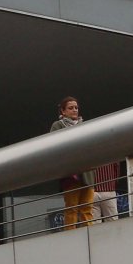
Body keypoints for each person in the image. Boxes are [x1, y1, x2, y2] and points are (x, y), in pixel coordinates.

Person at [49, 97, 96, 229]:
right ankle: (70, 235)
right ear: (63, 111)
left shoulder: (85, 125)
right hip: (71, 174)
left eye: (76, 107)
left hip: (87, 173)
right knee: (72, 208)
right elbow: (54, 146)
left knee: (87, 208)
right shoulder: (57, 125)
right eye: (70, 108)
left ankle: (90, 233)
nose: (74, 110)